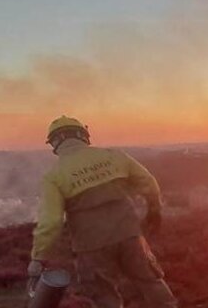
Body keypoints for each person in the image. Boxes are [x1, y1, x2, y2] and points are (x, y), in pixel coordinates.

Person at [28, 115, 177, 307]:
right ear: (83, 135)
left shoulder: (54, 176)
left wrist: (38, 258)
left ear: (55, 143)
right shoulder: (114, 156)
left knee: (104, 296)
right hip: (129, 234)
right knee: (150, 282)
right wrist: (154, 211)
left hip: (91, 246)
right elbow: (149, 184)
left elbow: (51, 222)